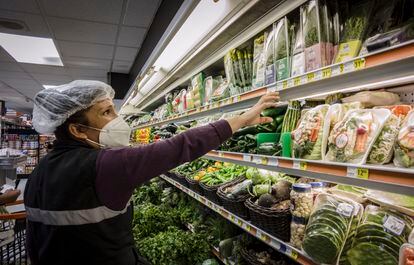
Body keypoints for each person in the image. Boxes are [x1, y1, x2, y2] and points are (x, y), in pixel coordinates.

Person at [24, 80, 280, 265]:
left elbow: (35, 239)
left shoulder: (40, 171)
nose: (116, 118)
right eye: (106, 112)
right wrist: (241, 120)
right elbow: (180, 146)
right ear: (77, 130)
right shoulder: (107, 165)